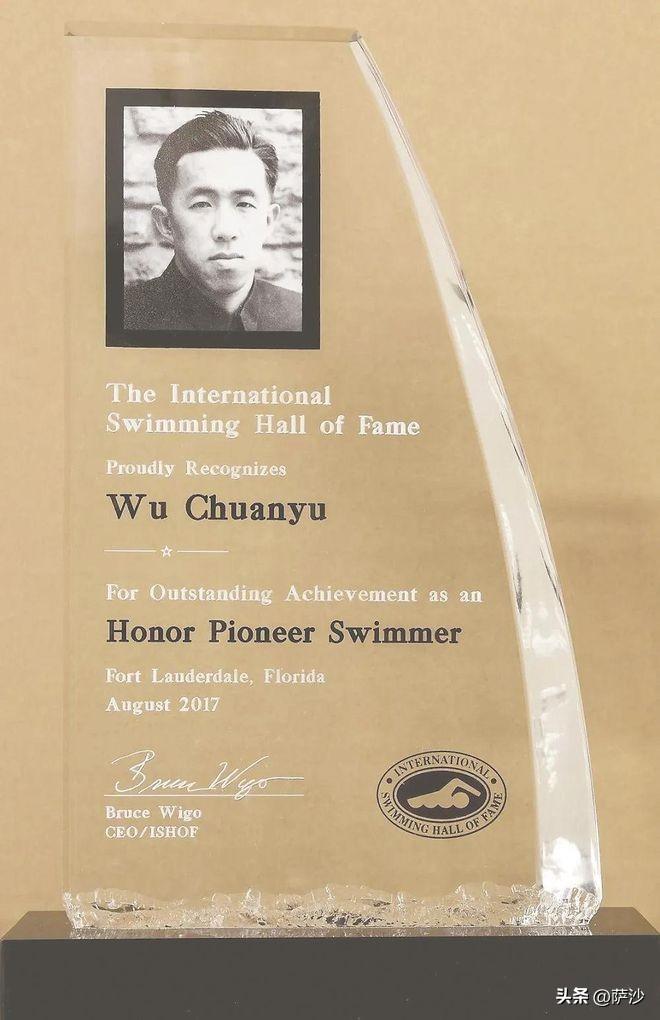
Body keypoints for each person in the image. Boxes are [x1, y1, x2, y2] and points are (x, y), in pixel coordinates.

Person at [124, 110, 302, 332]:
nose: (225, 230)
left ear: (268, 221)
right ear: (166, 224)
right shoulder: (123, 318)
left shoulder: (303, 317)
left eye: (245, 204)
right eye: (201, 204)